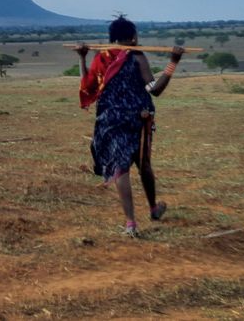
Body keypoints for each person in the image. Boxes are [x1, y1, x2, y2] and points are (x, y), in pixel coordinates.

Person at [75, 16, 183, 237]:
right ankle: (153, 209)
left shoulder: (101, 57)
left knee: (120, 167)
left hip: (109, 119)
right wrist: (173, 62)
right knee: (143, 164)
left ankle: (131, 223)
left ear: (111, 37)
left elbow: (87, 84)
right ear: (133, 36)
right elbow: (155, 89)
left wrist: (82, 58)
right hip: (138, 117)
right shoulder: (136, 56)